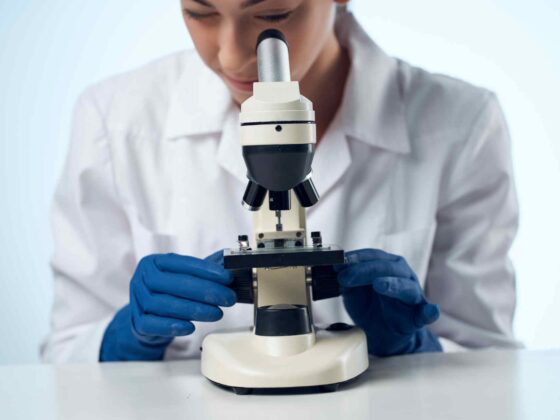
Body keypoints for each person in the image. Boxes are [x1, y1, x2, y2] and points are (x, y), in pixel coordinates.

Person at [41, 0, 521, 363]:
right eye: (200, 13)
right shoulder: (115, 120)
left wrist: (419, 346)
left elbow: (492, 366)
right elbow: (64, 357)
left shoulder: (460, 125)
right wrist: (126, 339)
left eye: (273, 13)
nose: (231, 57)